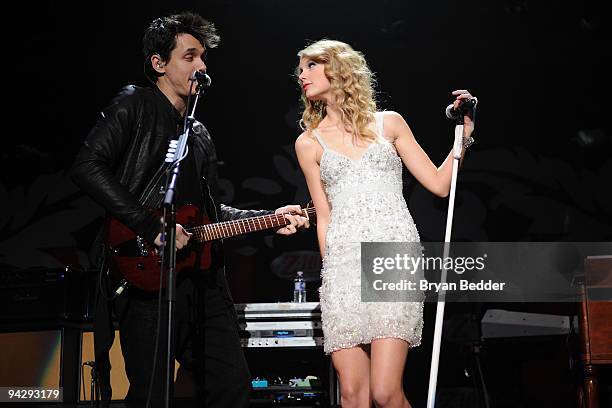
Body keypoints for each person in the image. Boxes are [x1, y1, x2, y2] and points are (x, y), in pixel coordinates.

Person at [71, 11, 309, 408]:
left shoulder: (198, 134)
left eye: (203, 58)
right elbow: (86, 166)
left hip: (203, 284)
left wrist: (268, 219)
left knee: (232, 390)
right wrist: (149, 225)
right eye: (190, 56)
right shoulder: (135, 104)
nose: (201, 66)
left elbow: (208, 215)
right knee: (152, 394)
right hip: (145, 274)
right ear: (158, 63)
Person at [294, 39, 476, 408]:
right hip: (343, 269)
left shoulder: (388, 124)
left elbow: (439, 185)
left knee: (385, 392)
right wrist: (331, 277)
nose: (302, 75)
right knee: (353, 395)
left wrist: (463, 137)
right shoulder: (308, 143)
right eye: (300, 69)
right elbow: (323, 216)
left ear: (339, 68)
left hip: (392, 257)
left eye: (311, 65)